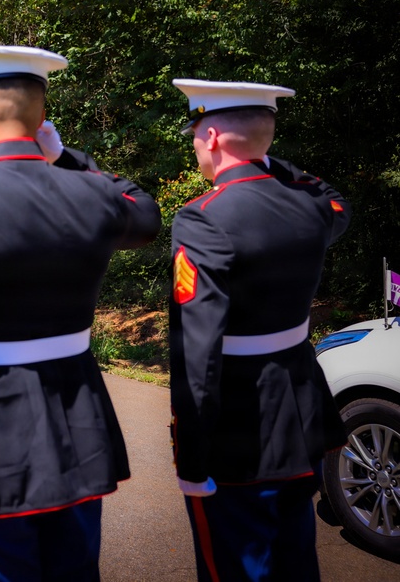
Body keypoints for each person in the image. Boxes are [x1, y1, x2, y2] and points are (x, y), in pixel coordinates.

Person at [0, 45, 161, 581]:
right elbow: (144, 213)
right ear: (41, 117)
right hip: (79, 441)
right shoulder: (89, 195)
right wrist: (66, 157)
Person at [168, 79, 350, 581]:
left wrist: (191, 456)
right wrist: (265, 157)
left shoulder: (202, 219)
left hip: (240, 428)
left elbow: (196, 350)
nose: (194, 147)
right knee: (295, 558)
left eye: (195, 135)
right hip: (303, 412)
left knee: (235, 565)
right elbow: (336, 199)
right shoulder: (313, 208)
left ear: (211, 138)